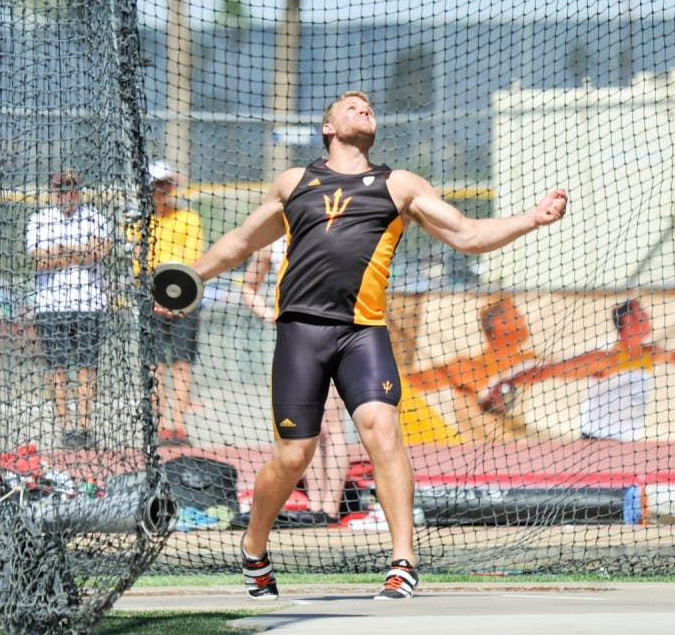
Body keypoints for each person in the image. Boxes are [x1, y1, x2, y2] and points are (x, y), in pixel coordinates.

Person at [189, 90, 566, 600]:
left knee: (382, 430)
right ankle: (255, 550)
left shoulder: (400, 186)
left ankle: (403, 561)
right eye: (350, 104)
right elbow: (238, 242)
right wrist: (187, 279)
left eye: (368, 105)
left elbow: (469, 234)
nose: (363, 107)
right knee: (294, 454)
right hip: (301, 330)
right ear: (329, 127)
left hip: (363, 331)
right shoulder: (294, 183)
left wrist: (532, 218)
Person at [478, 298, 675, 441]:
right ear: (628, 322)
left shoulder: (649, 353)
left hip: (628, 439)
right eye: (642, 315)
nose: (648, 318)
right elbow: (551, 370)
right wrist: (506, 383)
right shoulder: (604, 357)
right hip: (598, 441)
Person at [242, 241, 352, 527]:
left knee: (333, 424)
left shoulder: (330, 227)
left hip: (338, 332)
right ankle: (316, 506)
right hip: (295, 340)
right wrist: (271, 315)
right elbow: (248, 288)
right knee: (306, 427)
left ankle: (330, 506)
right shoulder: (272, 242)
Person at [25, 170, 112, 448]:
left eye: (71, 189)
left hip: (89, 302)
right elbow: (40, 259)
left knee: (87, 366)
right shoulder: (40, 219)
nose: (67, 194)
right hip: (51, 305)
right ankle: (66, 428)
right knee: (57, 367)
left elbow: (101, 251)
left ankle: (84, 427)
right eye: (61, 189)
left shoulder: (95, 216)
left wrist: (61, 251)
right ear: (54, 192)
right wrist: (79, 251)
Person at [406, 295, 538, 442]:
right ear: (499, 322)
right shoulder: (466, 368)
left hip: (521, 449)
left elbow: (562, 369)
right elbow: (410, 382)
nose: (523, 319)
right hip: (482, 453)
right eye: (516, 314)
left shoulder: (529, 360)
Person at [140, 161, 205, 446]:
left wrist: (175, 295)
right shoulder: (140, 222)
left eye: (166, 184)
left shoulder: (189, 218)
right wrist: (159, 296)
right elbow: (140, 264)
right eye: (157, 185)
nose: (162, 190)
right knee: (155, 364)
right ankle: (155, 426)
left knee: (181, 362)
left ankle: (176, 426)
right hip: (151, 300)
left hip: (186, 300)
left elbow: (192, 257)